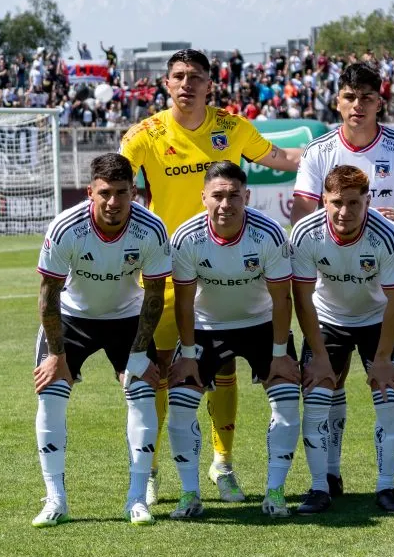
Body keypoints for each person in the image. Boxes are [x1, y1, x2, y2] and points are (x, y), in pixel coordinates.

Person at [120, 48, 300, 506]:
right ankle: (155, 466)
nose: (186, 84)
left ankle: (222, 463)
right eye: (178, 76)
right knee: (163, 372)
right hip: (166, 271)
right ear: (165, 84)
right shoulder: (145, 135)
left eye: (195, 77)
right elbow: (116, 182)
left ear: (209, 84)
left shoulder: (232, 127)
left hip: (225, 267)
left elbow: (280, 156)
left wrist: (336, 146)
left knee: (223, 368)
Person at [291, 63, 394, 500]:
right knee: (324, 380)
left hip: (386, 279)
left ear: (379, 101)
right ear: (339, 101)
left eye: (367, 97)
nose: (358, 105)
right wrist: (321, 241)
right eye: (350, 97)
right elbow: (301, 209)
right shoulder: (318, 151)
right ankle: (328, 477)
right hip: (332, 285)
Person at [32, 154, 170, 527]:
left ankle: (136, 499)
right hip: (71, 319)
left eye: (121, 193)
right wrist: (56, 355)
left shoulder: (152, 229)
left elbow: (155, 295)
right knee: (50, 392)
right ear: (90, 191)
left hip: (127, 319)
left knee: (143, 392)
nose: (113, 202)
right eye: (104, 193)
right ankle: (55, 499)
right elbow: (49, 296)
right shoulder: (66, 228)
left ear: (134, 192)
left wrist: (140, 354)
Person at [167, 161, 297, 520]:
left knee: (286, 402)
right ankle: (189, 495)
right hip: (208, 328)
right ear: (204, 197)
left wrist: (281, 353)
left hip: (262, 325)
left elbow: (282, 298)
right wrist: (189, 355)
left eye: (234, 196)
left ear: (247, 197)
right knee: (180, 403)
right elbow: (183, 301)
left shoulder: (269, 234)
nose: (226, 204)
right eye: (218, 196)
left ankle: (275, 492)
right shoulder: (186, 238)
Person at [290, 165, 394, 514]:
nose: (344, 212)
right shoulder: (304, 233)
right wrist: (318, 354)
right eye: (336, 202)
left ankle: (387, 487)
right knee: (316, 394)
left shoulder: (388, 235)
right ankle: (321, 485)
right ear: (323, 201)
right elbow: (301, 298)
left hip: (378, 319)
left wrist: (385, 358)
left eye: (354, 203)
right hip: (328, 318)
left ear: (368, 201)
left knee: (389, 397)